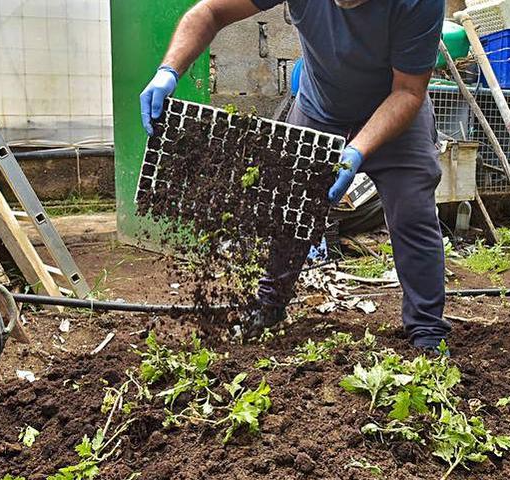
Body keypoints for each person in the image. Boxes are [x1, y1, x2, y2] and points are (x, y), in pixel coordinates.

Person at [140, 0, 451, 351]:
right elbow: (210, 12)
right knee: (290, 210)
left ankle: (428, 332)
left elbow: (408, 91)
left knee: (413, 211)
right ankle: (269, 305)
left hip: (395, 108)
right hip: (320, 108)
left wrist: (357, 150)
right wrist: (168, 71)